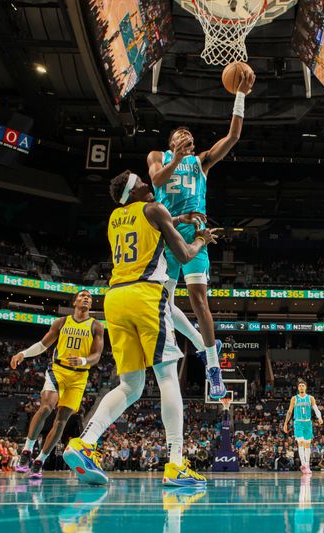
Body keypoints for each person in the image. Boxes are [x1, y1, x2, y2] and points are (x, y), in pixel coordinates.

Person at [63, 170, 216, 486]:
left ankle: (83, 443)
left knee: (130, 386)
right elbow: (185, 254)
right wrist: (202, 238)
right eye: (143, 184)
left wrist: (177, 215)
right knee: (167, 376)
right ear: (134, 192)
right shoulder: (155, 209)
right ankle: (175, 463)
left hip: (115, 299)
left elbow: (148, 218)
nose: (150, 185)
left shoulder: (115, 217)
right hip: (146, 295)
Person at [147, 69, 255, 400]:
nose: (186, 135)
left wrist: (240, 95)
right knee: (161, 302)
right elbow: (157, 182)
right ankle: (199, 341)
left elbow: (233, 136)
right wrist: (176, 157)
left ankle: (213, 367)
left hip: (195, 235)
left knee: (197, 298)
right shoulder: (158, 156)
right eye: (180, 133)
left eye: (188, 134)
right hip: (166, 235)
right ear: (171, 141)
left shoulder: (201, 162)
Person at [10, 290, 104, 479]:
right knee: (46, 407)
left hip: (79, 377)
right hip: (58, 371)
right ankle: (27, 450)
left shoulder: (96, 326)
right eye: (82, 296)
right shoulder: (61, 322)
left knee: (61, 420)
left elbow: (97, 355)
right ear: (75, 302)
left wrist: (84, 361)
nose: (86, 298)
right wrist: (23, 354)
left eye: (89, 297)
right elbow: (43, 345)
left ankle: (40, 460)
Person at [283, 380, 324, 475]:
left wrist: (320, 417)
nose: (301, 387)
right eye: (300, 386)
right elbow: (289, 411)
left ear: (305, 387)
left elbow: (316, 409)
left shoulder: (310, 398)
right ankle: (304, 464)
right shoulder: (294, 398)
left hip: (308, 423)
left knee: (307, 444)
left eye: (303, 385)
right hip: (298, 422)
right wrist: (285, 423)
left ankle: (307, 465)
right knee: (300, 442)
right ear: (298, 388)